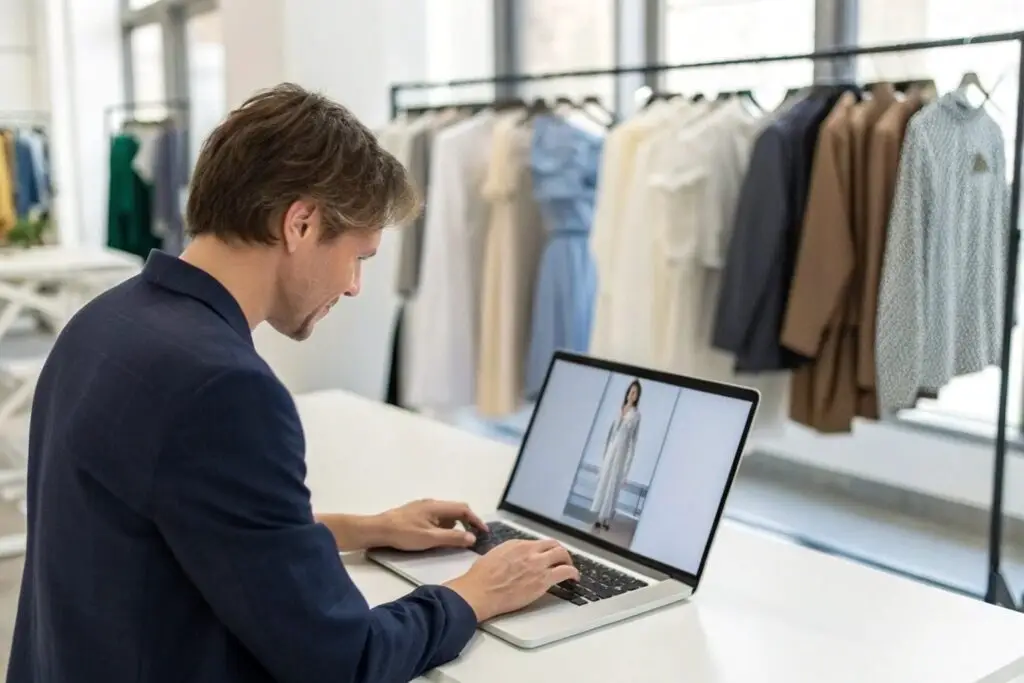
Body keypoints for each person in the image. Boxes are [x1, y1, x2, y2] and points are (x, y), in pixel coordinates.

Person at [7, 83, 579, 683]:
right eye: (359, 256)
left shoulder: (103, 321)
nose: (355, 286)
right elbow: (343, 660)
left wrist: (369, 529)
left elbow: (182, 539)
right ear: (301, 224)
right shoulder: (223, 389)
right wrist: (475, 593)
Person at [590, 379, 642, 531]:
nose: (632, 395)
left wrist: (627, 470)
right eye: (631, 392)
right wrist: (604, 455)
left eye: (635, 393)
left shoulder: (636, 415)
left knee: (613, 485)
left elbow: (633, 443)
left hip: (622, 453)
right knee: (605, 481)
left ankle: (606, 519)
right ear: (628, 393)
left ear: (637, 397)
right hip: (612, 450)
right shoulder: (619, 410)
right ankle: (600, 517)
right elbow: (610, 434)